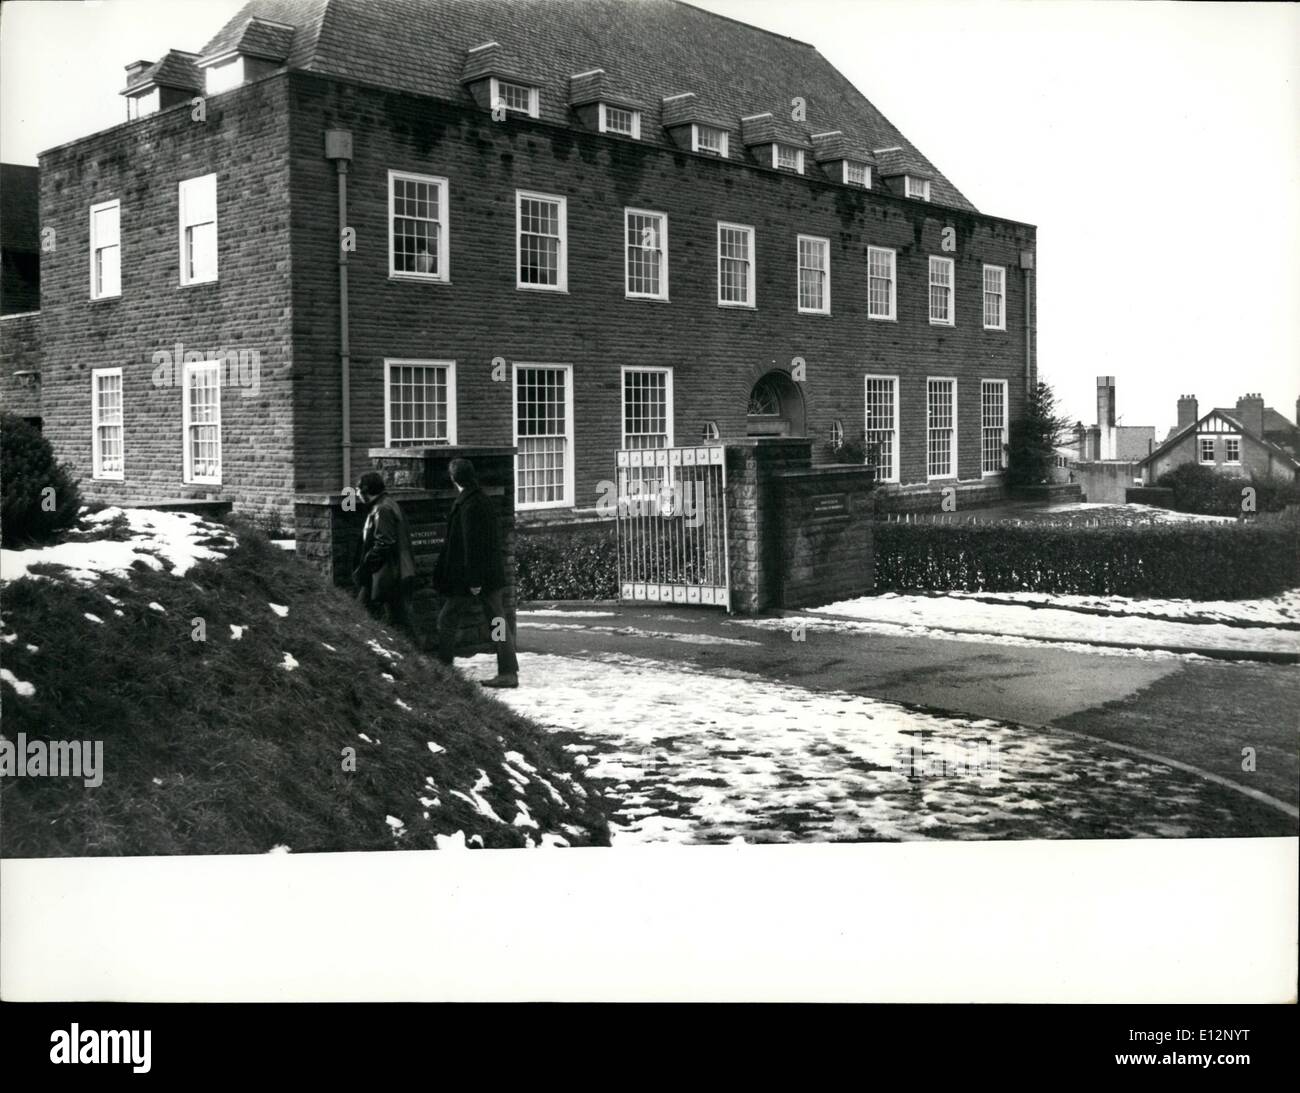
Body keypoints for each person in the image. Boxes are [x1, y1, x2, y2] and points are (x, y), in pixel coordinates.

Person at [432, 457, 519, 688]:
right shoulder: (481, 499)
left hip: (472, 578)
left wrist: (474, 580)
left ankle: (445, 671)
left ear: (454, 478)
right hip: (488, 576)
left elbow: (472, 545)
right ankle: (508, 671)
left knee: (447, 620)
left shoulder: (468, 504)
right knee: (498, 623)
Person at [352, 471, 417, 634]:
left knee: (366, 614)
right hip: (392, 571)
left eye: (358, 490)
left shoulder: (382, 509)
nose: (357, 494)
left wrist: (366, 565)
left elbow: (384, 542)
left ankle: (414, 655)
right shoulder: (387, 504)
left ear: (367, 491)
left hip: (387, 573)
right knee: (398, 618)